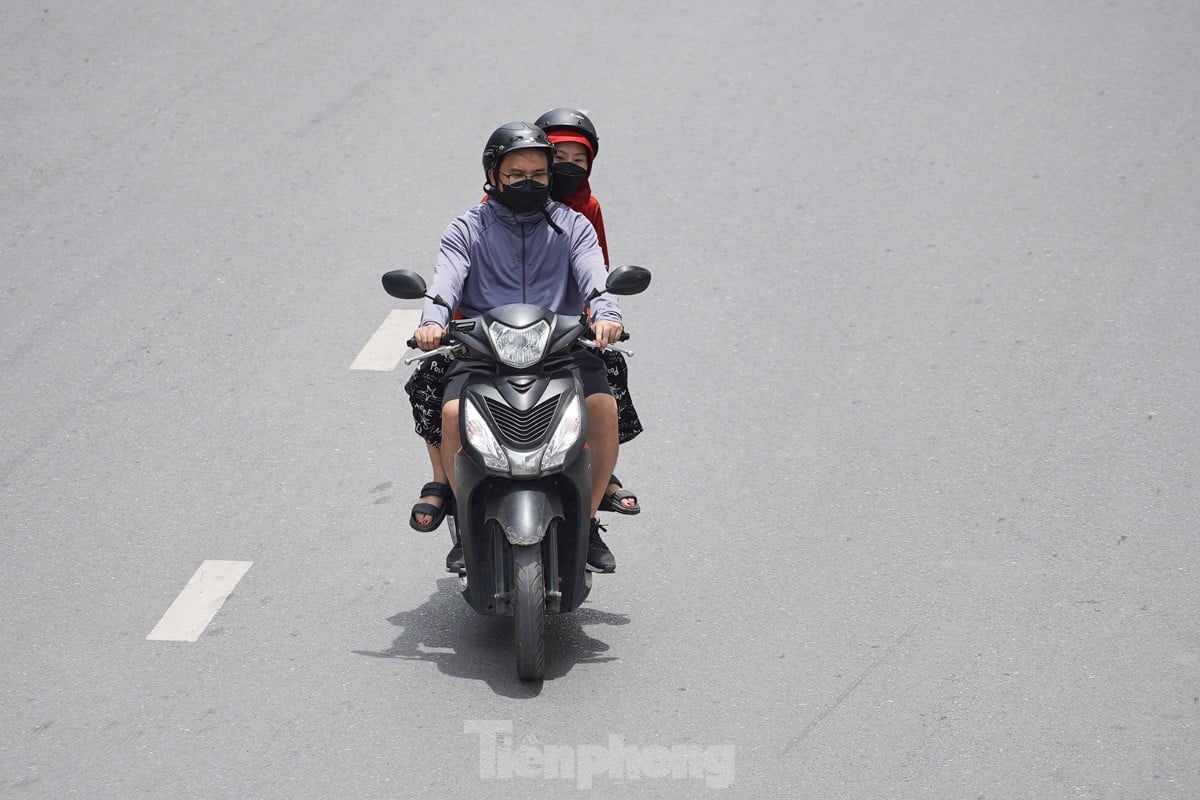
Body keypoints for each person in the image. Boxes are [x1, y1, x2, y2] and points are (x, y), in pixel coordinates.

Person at [405, 109, 641, 534]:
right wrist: (432, 323)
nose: (528, 182)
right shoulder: (466, 228)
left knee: (603, 408)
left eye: (539, 173)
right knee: (453, 413)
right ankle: (466, 525)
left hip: (561, 349)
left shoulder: (574, 225)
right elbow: (445, 283)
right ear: (494, 176)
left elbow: (595, 277)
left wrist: (607, 316)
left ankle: (586, 526)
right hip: (480, 351)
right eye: (516, 174)